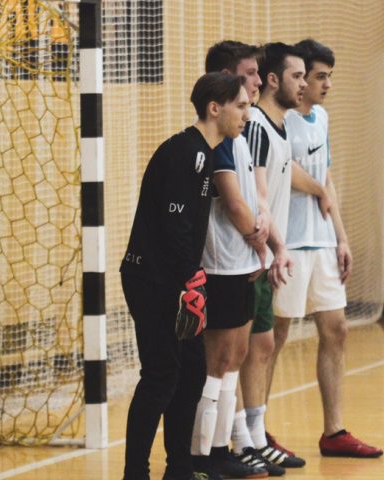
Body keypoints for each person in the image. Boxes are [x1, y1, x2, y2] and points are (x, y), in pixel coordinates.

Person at [119, 72, 243, 480]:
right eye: (240, 106)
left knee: (191, 374)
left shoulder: (206, 155)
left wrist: (192, 281)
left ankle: (180, 469)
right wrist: (191, 281)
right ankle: (135, 472)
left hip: (178, 280)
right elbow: (176, 227)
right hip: (152, 279)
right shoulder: (185, 153)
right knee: (160, 375)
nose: (246, 114)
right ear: (215, 108)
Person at [267, 38, 383, 458]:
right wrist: (317, 189)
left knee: (337, 329)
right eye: (319, 76)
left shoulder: (323, 118)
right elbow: (287, 172)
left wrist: (341, 236)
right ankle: (255, 429)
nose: (325, 84)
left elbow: (325, 178)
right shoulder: (279, 120)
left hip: (322, 241)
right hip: (289, 242)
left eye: (328, 77)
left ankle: (334, 431)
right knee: (274, 336)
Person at [194, 40, 300, 479]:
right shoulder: (215, 140)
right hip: (221, 264)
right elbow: (238, 205)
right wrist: (260, 243)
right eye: (250, 74)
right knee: (217, 362)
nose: (258, 81)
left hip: (243, 263)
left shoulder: (240, 135)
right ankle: (203, 454)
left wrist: (272, 244)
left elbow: (257, 200)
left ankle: (227, 447)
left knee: (235, 357)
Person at [234, 42, 308, 474]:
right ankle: (240, 439)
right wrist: (275, 247)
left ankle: (256, 435)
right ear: (274, 79)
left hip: (265, 254)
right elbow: (256, 198)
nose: (304, 84)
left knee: (263, 344)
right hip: (248, 256)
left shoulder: (278, 128)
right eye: (297, 76)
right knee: (243, 348)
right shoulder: (257, 127)